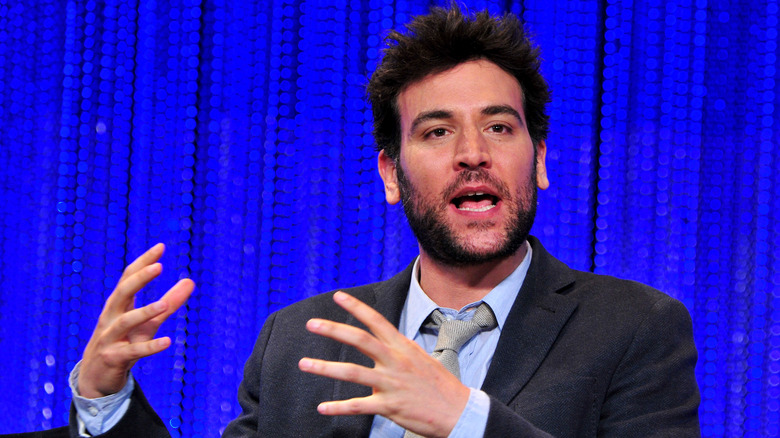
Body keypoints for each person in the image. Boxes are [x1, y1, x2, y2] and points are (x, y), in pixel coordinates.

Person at [69, 5, 700, 437]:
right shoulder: (299, 341)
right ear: (391, 174)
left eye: (499, 127)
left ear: (537, 159)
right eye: (437, 131)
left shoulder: (635, 328)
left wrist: (465, 420)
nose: (473, 153)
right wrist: (104, 397)